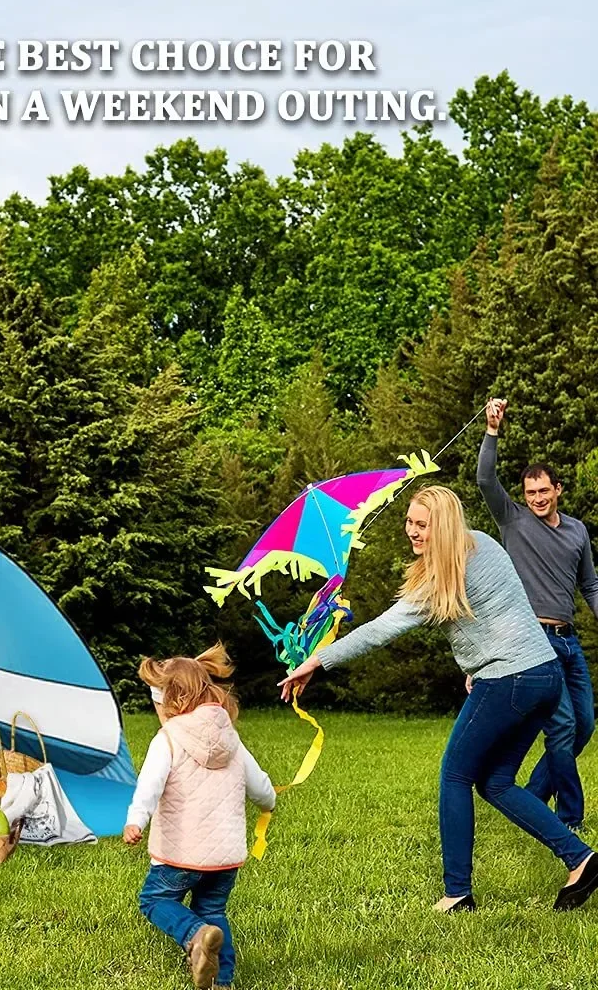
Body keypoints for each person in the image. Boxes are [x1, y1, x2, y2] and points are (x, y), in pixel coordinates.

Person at [278, 485, 598, 913]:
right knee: (496, 782)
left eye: (422, 524)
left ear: (443, 525)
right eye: (409, 522)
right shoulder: (483, 542)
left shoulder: (438, 579)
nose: (412, 531)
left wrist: (316, 660)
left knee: (455, 775)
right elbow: (499, 611)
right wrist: (474, 665)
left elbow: (379, 630)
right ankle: (582, 859)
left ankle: (457, 892)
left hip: (509, 680)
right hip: (544, 674)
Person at [123, 643, 276, 989]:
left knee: (155, 900)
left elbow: (149, 787)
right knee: (212, 910)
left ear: (173, 700)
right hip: (225, 859)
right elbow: (261, 785)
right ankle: (221, 980)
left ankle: (195, 935)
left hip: (179, 855)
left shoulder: (168, 739)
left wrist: (136, 820)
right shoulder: (231, 738)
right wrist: (268, 804)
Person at [477, 396, 598, 832]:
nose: (537, 498)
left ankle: (531, 796)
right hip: (534, 641)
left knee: (583, 724)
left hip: (569, 641)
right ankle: (568, 818)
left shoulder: (577, 531)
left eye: (544, 490)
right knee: (562, 724)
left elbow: (590, 584)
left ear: (558, 490)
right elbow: (485, 478)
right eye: (530, 492)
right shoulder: (513, 521)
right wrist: (492, 430)